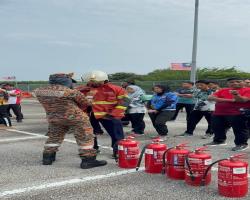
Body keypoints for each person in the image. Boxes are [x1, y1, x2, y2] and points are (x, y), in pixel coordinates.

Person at [34, 73, 107, 168]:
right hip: (76, 118)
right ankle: (88, 160)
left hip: (54, 118)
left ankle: (47, 158)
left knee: (54, 137)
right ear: (66, 81)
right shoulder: (70, 92)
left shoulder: (39, 91)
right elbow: (87, 103)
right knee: (85, 137)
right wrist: (90, 95)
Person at [83, 70, 130, 158]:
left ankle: (117, 152)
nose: (93, 83)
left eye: (96, 81)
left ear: (104, 80)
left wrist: (114, 114)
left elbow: (125, 101)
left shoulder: (116, 89)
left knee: (117, 135)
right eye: (91, 81)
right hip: (92, 115)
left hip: (110, 116)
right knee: (90, 133)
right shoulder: (85, 89)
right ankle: (93, 149)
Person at [204, 77, 250, 151]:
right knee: (217, 127)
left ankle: (241, 144)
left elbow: (242, 100)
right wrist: (231, 100)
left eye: (238, 81)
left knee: (239, 129)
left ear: (243, 82)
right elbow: (210, 98)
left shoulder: (247, 90)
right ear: (228, 83)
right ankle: (219, 141)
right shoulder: (223, 90)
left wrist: (236, 95)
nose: (235, 83)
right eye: (231, 82)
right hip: (219, 112)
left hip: (237, 113)